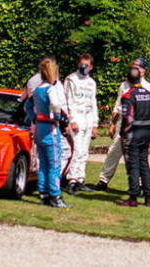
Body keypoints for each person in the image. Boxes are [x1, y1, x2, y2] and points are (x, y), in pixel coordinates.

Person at [95, 58, 150, 192]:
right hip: (123, 123)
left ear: (144, 70)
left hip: (138, 125)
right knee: (113, 152)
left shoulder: (148, 87)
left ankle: (138, 186)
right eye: (133, 66)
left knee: (138, 157)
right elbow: (118, 106)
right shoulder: (124, 85)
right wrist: (112, 124)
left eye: (138, 66)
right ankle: (103, 181)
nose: (134, 68)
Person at [31, 58, 72, 208]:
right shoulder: (50, 89)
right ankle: (55, 195)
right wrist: (57, 116)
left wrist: (35, 117)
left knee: (43, 163)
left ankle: (43, 193)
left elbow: (29, 106)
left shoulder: (37, 90)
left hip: (39, 129)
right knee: (54, 163)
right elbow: (55, 104)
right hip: (50, 129)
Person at [117, 67, 150, 207]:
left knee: (133, 166)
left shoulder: (128, 96)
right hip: (146, 133)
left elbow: (127, 119)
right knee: (144, 164)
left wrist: (123, 133)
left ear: (128, 80)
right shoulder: (149, 93)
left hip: (133, 133)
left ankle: (133, 198)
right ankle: (148, 198)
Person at [62, 53, 99, 195]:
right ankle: (71, 180)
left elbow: (93, 102)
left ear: (91, 67)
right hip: (77, 116)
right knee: (76, 150)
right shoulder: (71, 79)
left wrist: (95, 123)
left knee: (84, 151)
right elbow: (67, 101)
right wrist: (72, 120)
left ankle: (80, 180)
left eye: (86, 65)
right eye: (82, 64)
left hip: (88, 118)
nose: (84, 67)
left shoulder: (91, 82)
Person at [20, 55, 55, 127]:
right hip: (46, 118)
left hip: (35, 117)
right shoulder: (54, 81)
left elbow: (23, 99)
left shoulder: (32, 80)